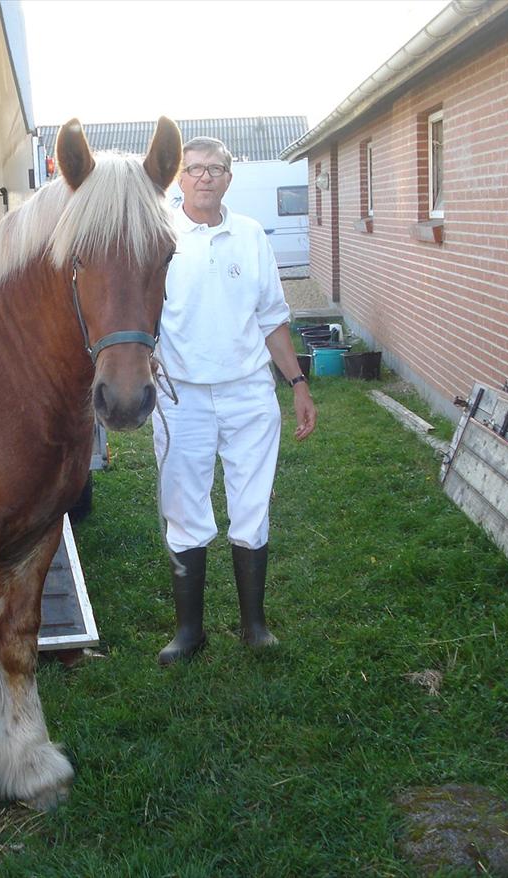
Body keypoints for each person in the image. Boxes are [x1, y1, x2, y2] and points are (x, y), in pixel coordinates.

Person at [153, 136, 316, 666]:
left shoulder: (249, 236)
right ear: (179, 177)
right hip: (182, 398)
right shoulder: (158, 236)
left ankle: (254, 625)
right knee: (185, 510)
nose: (204, 176)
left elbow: (272, 317)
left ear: (229, 176)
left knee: (252, 508)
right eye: (194, 168)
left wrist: (296, 383)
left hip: (249, 394)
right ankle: (189, 631)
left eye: (215, 168)